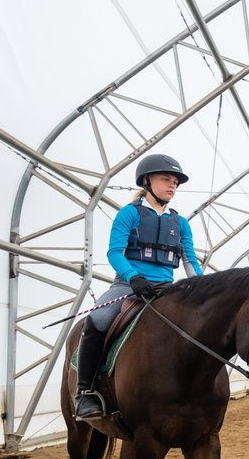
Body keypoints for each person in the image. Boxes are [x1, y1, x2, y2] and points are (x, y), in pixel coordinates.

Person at [73, 153, 203, 421]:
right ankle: (84, 393)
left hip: (166, 288)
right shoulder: (128, 214)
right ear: (147, 181)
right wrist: (134, 277)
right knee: (98, 319)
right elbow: (114, 253)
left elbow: (190, 260)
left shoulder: (181, 223)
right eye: (166, 179)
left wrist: (202, 287)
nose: (172, 186)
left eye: (175, 182)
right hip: (129, 285)